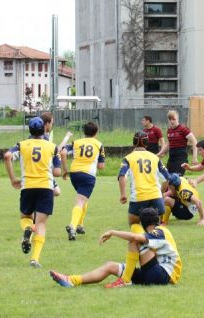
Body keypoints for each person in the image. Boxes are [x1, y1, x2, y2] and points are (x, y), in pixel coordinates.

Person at [49, 207, 181, 288]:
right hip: (153, 274)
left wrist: (113, 232)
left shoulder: (161, 231)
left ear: (144, 223)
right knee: (110, 266)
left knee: (134, 241)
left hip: (162, 275)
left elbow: (136, 238)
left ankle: (125, 280)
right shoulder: (157, 232)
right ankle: (72, 280)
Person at [4, 117, 61, 268]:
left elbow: (7, 156)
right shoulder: (52, 147)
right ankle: (34, 259)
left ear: (29, 130)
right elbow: (57, 172)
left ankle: (28, 228)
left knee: (26, 217)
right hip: (45, 187)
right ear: (44, 129)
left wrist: (13, 179)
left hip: (27, 186)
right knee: (41, 224)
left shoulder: (22, 145)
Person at [117, 131, 171, 285]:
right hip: (156, 198)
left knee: (134, 224)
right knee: (156, 230)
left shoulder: (128, 158)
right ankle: (156, 258)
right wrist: (161, 192)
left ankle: (139, 247)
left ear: (134, 143)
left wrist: (122, 194)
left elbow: (122, 176)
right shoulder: (155, 158)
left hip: (138, 198)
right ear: (147, 144)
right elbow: (167, 177)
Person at [61, 121, 105, 240]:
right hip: (88, 175)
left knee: (83, 198)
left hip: (74, 174)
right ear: (96, 132)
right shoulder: (99, 144)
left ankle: (80, 225)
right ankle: (73, 226)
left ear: (84, 132)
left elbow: (63, 152)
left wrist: (65, 170)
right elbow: (101, 166)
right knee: (80, 201)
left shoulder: (76, 142)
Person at [158, 110, 198, 175]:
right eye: (170, 119)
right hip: (171, 158)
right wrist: (159, 154)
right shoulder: (169, 130)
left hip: (181, 158)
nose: (172, 121)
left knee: (176, 179)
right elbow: (168, 144)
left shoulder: (183, 129)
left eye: (174, 119)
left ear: (178, 119)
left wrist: (194, 157)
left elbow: (194, 141)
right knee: (168, 179)